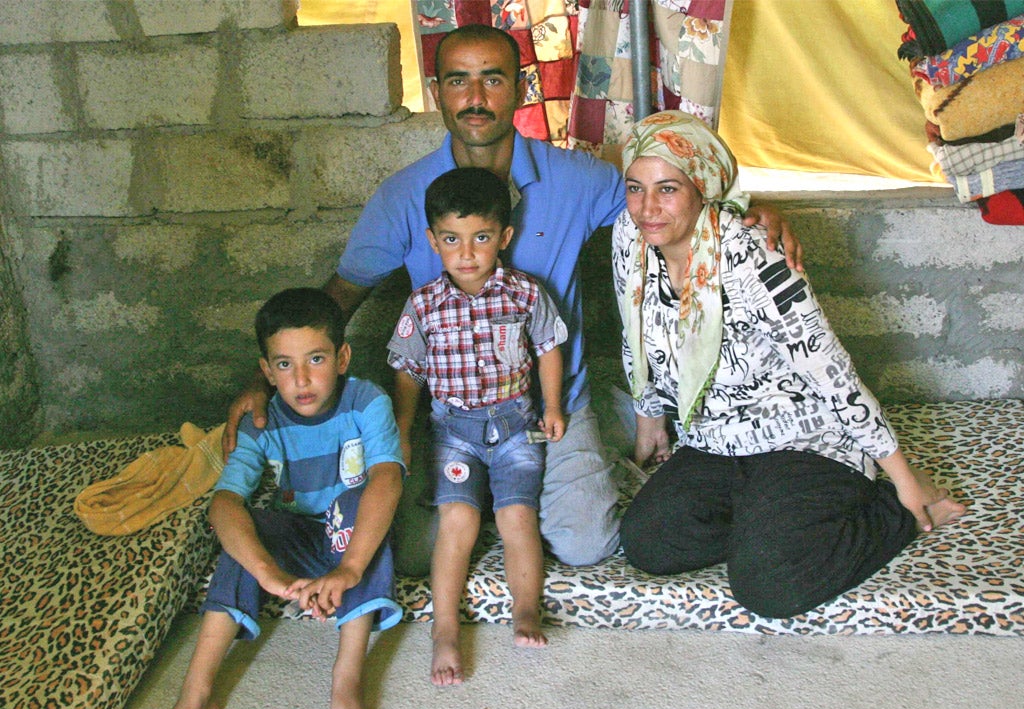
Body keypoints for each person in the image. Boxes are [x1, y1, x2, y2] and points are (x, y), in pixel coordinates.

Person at [222, 24, 804, 577]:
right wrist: (267, 379)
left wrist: (748, 209)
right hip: (453, 415)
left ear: (521, 88)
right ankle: (507, 488)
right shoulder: (403, 195)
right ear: (437, 92)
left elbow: (666, 200)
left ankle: (609, 416)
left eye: (493, 79)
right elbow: (341, 296)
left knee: (585, 545)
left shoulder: (575, 178)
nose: (475, 97)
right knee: (414, 553)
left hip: (553, 404)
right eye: (458, 80)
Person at [613, 110, 967, 619]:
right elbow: (636, 328)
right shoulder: (630, 238)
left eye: (667, 189)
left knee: (769, 586)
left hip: (801, 438)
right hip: (715, 440)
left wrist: (907, 480)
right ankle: (770, 520)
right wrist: (650, 420)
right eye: (635, 187)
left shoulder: (751, 255)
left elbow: (829, 368)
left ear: (703, 187)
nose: (648, 207)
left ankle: (894, 512)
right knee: (649, 543)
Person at [142, 288, 404, 709]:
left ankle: (345, 683)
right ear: (265, 372)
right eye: (284, 365)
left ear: (342, 357)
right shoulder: (260, 422)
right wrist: (266, 573)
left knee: (357, 502)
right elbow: (224, 503)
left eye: (317, 358)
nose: (301, 379)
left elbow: (387, 478)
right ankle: (195, 694)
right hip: (301, 535)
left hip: (353, 539)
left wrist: (349, 569)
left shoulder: (367, 401)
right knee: (246, 533)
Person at [387, 167, 565, 685]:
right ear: (432, 241)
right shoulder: (423, 306)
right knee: (457, 525)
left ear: (504, 238)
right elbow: (407, 373)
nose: (467, 253)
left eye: (481, 237)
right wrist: (404, 430)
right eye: (451, 239)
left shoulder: (526, 294)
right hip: (453, 433)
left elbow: (549, 347)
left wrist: (552, 406)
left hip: (516, 427)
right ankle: (445, 629)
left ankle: (526, 609)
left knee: (516, 520)